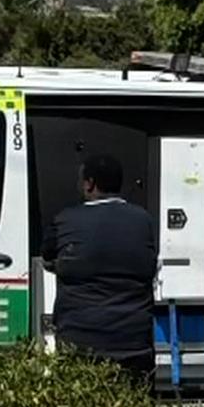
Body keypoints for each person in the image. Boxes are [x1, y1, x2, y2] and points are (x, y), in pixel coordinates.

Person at [41, 154, 158, 386]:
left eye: (80, 179)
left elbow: (48, 255)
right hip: (134, 345)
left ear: (89, 184)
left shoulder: (65, 220)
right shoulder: (143, 220)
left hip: (79, 344)